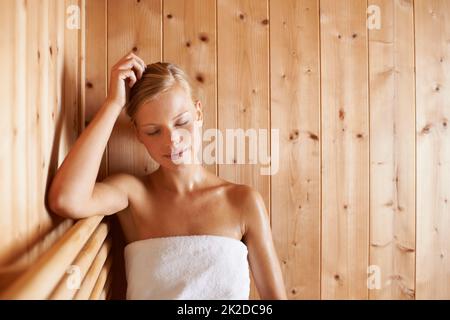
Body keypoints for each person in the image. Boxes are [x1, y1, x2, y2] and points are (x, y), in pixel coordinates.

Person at [48, 51, 287, 300]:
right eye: (153, 131)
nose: (172, 140)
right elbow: (66, 200)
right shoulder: (133, 194)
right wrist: (113, 104)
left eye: (181, 122)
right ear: (139, 134)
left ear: (199, 114)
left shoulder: (243, 201)